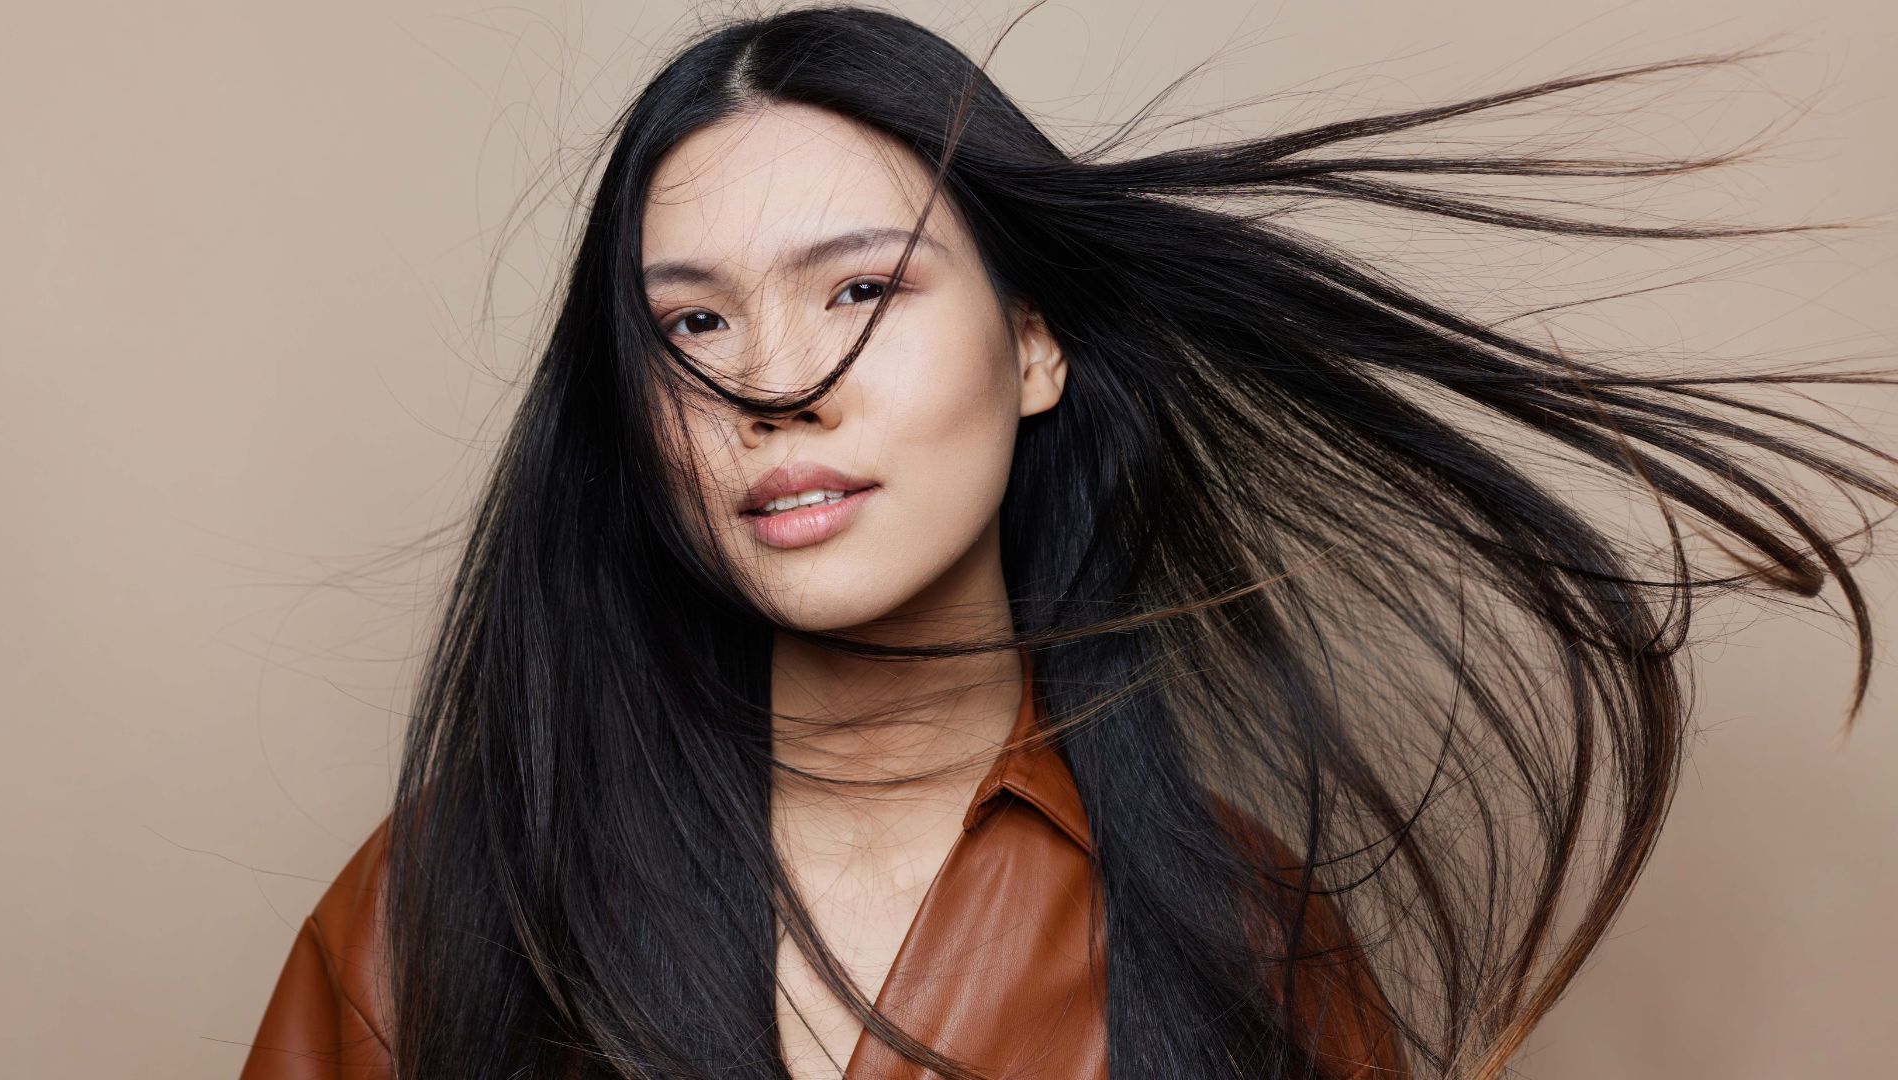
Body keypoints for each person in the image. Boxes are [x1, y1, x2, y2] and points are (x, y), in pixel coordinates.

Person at [240, 5, 1897, 1079]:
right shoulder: (442, 906)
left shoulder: (1245, 933)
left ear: (1033, 344)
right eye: (689, 327)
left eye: (863, 289)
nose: (772, 385)